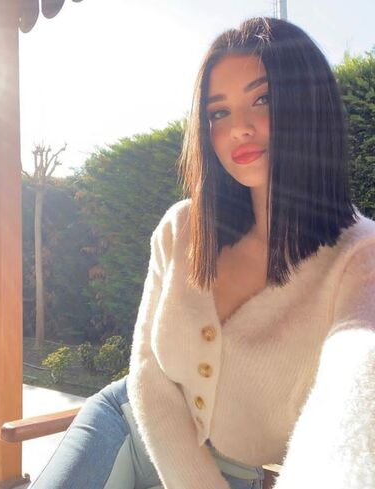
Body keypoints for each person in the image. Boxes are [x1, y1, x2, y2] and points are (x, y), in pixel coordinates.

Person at [29, 17, 375, 489]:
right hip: (123, 424)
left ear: (310, 102)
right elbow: (147, 376)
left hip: (238, 473)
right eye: (218, 113)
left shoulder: (360, 258)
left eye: (263, 99)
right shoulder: (181, 228)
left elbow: (353, 397)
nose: (238, 129)